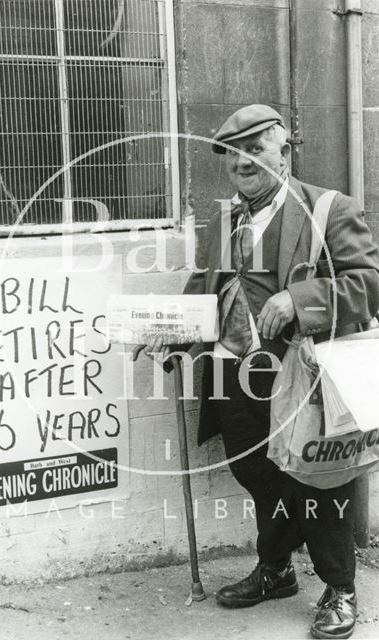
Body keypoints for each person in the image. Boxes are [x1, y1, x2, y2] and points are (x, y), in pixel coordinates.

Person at [136, 104, 379, 640]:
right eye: (232, 155)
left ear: (283, 149)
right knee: (256, 472)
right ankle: (277, 570)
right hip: (232, 369)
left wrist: (301, 298)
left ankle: (340, 588)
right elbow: (207, 286)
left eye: (255, 149)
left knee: (316, 479)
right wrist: (170, 330)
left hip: (301, 375)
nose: (243, 163)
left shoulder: (329, 209)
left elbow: (368, 283)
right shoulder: (226, 219)